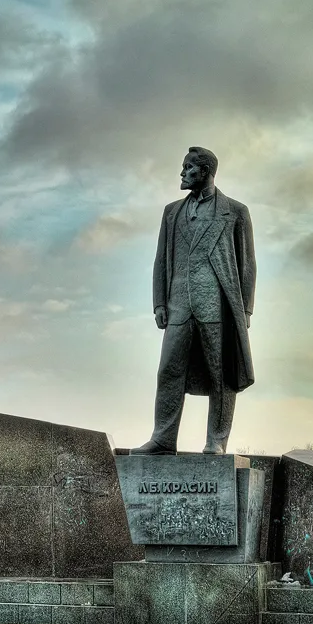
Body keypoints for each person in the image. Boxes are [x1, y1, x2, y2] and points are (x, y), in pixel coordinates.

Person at [132, 146, 255, 456]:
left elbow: (247, 263)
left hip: (218, 305)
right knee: (168, 372)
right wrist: (159, 302)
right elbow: (161, 259)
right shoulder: (172, 212)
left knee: (221, 374)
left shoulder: (235, 212)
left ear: (205, 171)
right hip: (178, 304)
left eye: (188, 167)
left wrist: (246, 309)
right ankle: (162, 438)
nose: (182, 173)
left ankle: (216, 440)